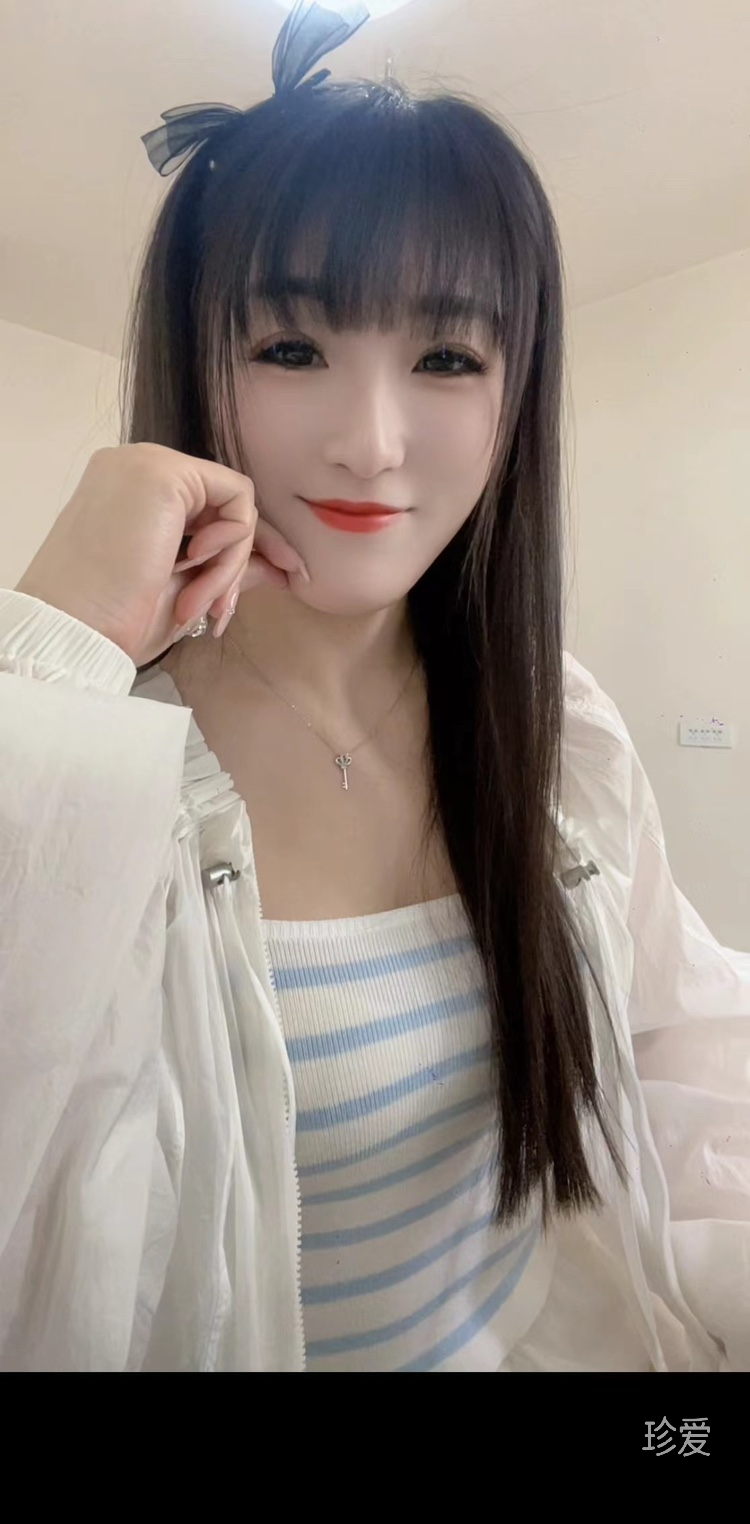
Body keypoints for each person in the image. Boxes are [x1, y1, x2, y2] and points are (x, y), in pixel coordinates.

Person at [1, 0, 748, 1373]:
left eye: (447, 358)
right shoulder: (90, 747)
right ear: (197, 362)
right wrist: (50, 645)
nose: (371, 443)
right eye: (290, 349)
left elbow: (680, 1044)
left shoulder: (556, 726)